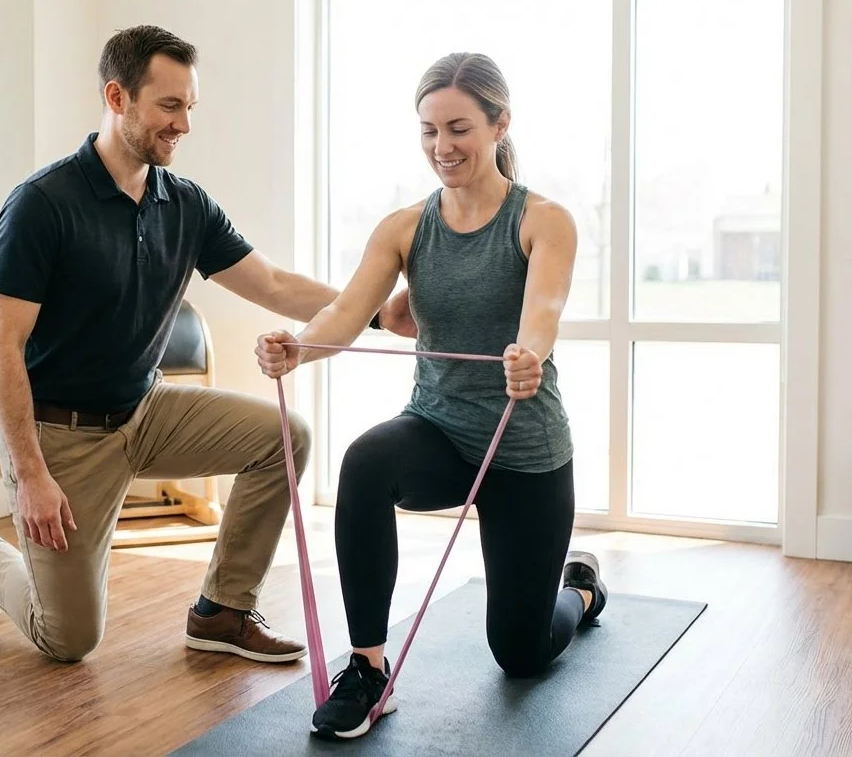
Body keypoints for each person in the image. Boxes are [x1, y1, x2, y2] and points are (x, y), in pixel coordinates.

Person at [0, 25, 409, 665]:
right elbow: (1, 346)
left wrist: (379, 313)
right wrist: (29, 476)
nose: (184, 124)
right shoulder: (42, 206)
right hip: (62, 436)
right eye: (169, 106)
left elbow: (273, 283)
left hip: (146, 410)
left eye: (189, 106)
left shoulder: (184, 204)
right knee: (68, 640)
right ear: (117, 97)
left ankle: (221, 610)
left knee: (286, 435)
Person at [256, 51, 608, 740]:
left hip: (524, 448)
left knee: (522, 655)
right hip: (439, 430)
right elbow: (347, 313)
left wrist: (528, 356)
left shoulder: (545, 219)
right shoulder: (405, 227)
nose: (442, 147)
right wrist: (298, 347)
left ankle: (581, 588)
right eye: (428, 131)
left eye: (459, 128)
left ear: (500, 124)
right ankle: (367, 669)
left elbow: (544, 309)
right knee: (366, 459)